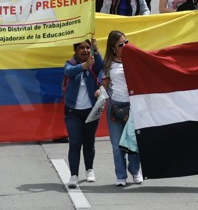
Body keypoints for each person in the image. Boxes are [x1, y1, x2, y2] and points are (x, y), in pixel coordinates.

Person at [99, 30, 142, 186]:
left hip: (133, 107)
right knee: (117, 145)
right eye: (121, 44)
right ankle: (121, 176)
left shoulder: (135, 59)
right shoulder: (108, 64)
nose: (125, 46)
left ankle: (135, 170)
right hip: (115, 107)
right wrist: (99, 91)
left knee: (133, 142)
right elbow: (104, 85)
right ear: (113, 48)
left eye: (127, 42)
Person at [61, 37, 102, 188]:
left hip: (91, 111)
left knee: (89, 143)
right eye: (82, 48)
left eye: (87, 47)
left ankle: (89, 169)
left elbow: (102, 66)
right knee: (75, 143)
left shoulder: (94, 63)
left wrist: (96, 51)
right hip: (73, 111)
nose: (85, 50)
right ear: (76, 51)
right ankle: (74, 175)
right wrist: (84, 65)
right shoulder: (71, 64)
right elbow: (68, 72)